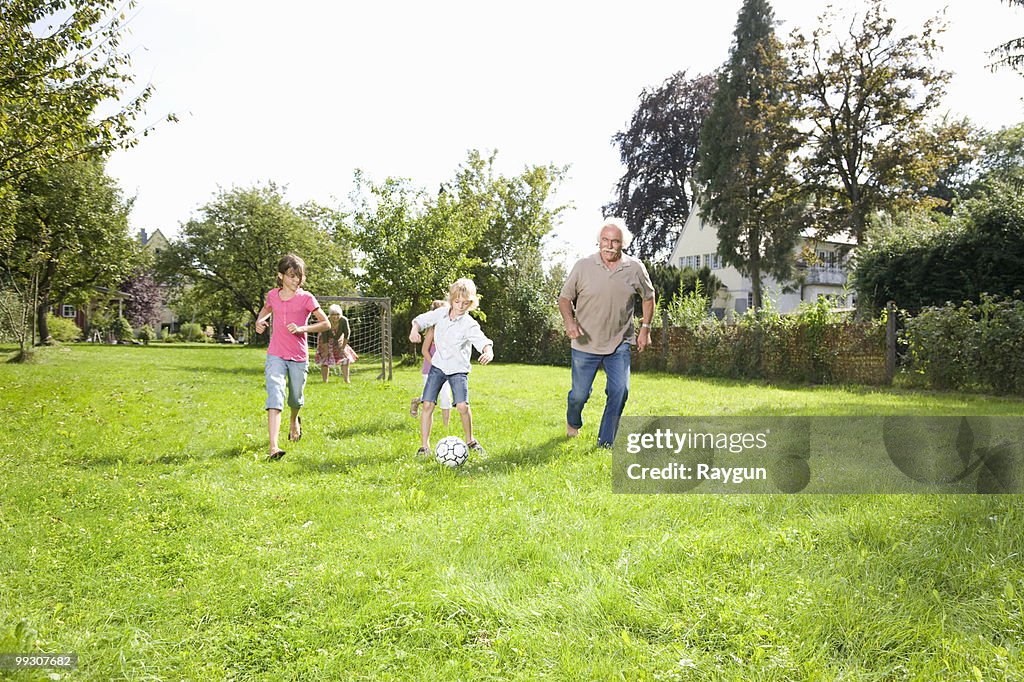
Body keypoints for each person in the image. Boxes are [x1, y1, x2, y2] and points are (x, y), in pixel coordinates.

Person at [559, 218, 655, 448]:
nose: (609, 245)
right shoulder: (583, 266)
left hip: (619, 342)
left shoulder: (634, 268)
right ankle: (573, 421)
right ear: (598, 241)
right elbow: (564, 298)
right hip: (584, 342)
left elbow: (648, 297)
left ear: (623, 244)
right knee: (579, 395)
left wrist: (645, 329)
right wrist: (569, 322)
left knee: (620, 391)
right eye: (605, 240)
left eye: (615, 241)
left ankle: (606, 441)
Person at [254, 254, 331, 461]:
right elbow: (265, 312)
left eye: (299, 276)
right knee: (275, 395)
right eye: (291, 276)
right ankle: (273, 447)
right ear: (280, 276)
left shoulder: (306, 298)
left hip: (298, 356)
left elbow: (326, 324)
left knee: (296, 397)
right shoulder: (272, 295)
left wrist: (302, 328)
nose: (296, 280)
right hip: (276, 354)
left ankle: (294, 419)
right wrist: (259, 322)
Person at [409, 279, 494, 456]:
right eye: (457, 302)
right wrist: (414, 330)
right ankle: (424, 447)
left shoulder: (469, 323)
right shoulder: (440, 314)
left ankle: (470, 441)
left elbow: (481, 340)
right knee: (427, 404)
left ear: (471, 303)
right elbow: (421, 320)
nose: (461, 306)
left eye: (466, 303)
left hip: (458, 370)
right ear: (451, 299)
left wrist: (488, 351)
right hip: (438, 366)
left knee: (462, 406)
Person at [410, 300, 453, 426]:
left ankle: (446, 427)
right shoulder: (431, 331)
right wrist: (436, 364)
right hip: (430, 369)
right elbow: (424, 351)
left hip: (447, 369)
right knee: (429, 399)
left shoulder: (451, 330)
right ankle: (417, 401)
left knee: (446, 397)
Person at [315, 304, 352, 384]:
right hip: (325, 341)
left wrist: (343, 347)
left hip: (339, 340)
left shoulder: (343, 320)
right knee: (325, 359)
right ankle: (325, 381)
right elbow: (324, 337)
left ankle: (346, 380)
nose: (335, 317)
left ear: (341, 314)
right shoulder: (325, 321)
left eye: (337, 314)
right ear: (330, 315)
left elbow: (347, 334)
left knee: (345, 359)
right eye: (333, 315)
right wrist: (326, 350)